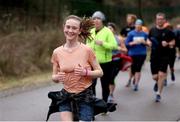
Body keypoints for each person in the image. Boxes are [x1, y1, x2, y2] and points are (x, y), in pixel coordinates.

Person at [51, 15, 103, 121]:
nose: (70, 30)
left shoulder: (87, 50)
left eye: (74, 28)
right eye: (68, 27)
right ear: (64, 28)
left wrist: (85, 72)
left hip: (84, 96)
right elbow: (54, 77)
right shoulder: (57, 52)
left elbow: (100, 72)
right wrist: (57, 77)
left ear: (79, 31)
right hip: (66, 96)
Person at [86, 11, 118, 103]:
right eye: (94, 18)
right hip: (92, 62)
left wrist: (103, 43)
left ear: (102, 20)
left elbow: (114, 46)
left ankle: (104, 104)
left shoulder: (107, 31)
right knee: (91, 85)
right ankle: (94, 103)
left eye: (98, 18)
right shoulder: (90, 31)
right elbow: (87, 44)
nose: (96, 20)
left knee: (105, 85)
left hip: (106, 63)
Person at [149, 12, 175, 102]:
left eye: (161, 19)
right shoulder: (152, 30)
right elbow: (149, 41)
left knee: (161, 75)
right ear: (156, 20)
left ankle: (158, 94)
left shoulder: (169, 32)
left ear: (164, 20)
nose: (159, 20)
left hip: (164, 56)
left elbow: (173, 42)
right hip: (153, 56)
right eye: (158, 19)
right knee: (155, 76)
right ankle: (157, 82)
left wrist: (167, 43)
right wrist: (148, 43)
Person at [125, 19, 151, 91]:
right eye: (137, 24)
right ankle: (130, 79)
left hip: (142, 54)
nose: (138, 26)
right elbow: (127, 44)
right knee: (132, 68)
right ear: (135, 25)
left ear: (141, 26)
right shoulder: (131, 34)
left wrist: (144, 42)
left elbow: (149, 44)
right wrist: (133, 43)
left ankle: (136, 84)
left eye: (140, 24)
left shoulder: (144, 34)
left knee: (138, 69)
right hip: (132, 54)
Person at [107, 22, 127, 103]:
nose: (109, 30)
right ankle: (108, 94)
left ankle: (110, 94)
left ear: (114, 30)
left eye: (111, 28)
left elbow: (125, 50)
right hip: (106, 61)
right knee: (107, 79)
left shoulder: (118, 39)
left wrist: (118, 48)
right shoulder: (103, 39)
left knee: (111, 78)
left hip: (116, 60)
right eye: (107, 28)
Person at [120, 13, 137, 87]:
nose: (127, 20)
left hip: (135, 49)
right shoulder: (125, 28)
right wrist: (124, 39)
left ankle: (134, 77)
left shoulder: (136, 28)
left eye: (129, 19)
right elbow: (120, 37)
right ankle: (130, 79)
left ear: (133, 20)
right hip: (127, 49)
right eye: (127, 19)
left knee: (135, 66)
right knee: (130, 65)